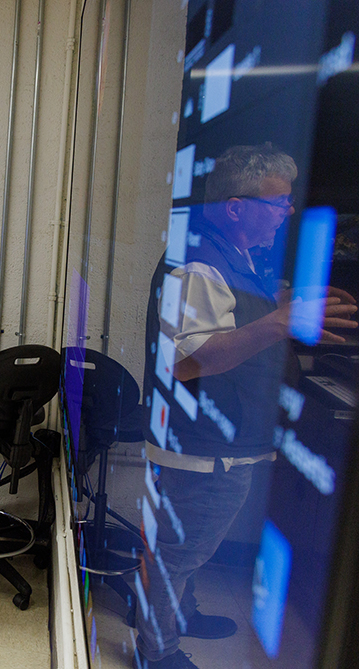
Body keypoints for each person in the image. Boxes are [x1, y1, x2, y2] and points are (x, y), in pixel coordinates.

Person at [137, 144, 356, 668]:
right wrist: (277, 323)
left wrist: (282, 304)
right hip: (203, 448)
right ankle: (157, 649)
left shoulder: (230, 255)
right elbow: (190, 359)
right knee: (179, 552)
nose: (287, 214)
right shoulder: (197, 266)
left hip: (211, 438)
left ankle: (177, 615)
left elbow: (231, 314)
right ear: (236, 207)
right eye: (277, 203)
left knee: (178, 546)